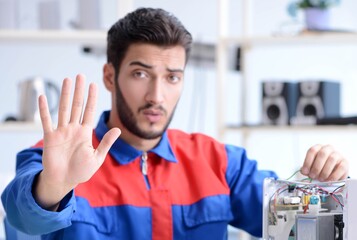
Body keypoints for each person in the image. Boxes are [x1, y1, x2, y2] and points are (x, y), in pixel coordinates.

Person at [1, 7, 349, 240]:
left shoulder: (220, 162)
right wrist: (53, 190)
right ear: (110, 76)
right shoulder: (58, 160)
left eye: (172, 77)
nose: (157, 95)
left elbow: (300, 230)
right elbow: (23, 219)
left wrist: (326, 191)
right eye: (140, 74)